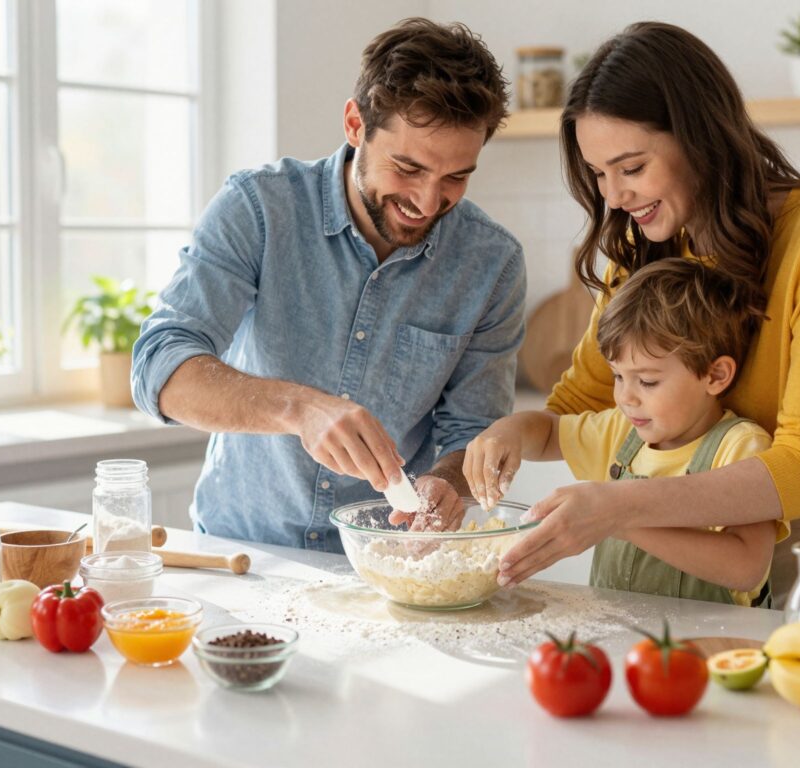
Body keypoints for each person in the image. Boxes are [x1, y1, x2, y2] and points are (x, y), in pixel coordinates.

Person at [477, 21, 800, 617]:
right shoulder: (644, 247)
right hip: (673, 561)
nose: (613, 197)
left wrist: (622, 507)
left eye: (631, 168)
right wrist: (506, 435)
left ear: (701, 137)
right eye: (599, 174)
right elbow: (577, 408)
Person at [131, 18, 526, 552]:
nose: (428, 202)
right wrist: (299, 409)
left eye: (456, 177)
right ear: (355, 124)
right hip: (242, 552)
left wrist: (448, 483)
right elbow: (159, 366)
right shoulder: (259, 208)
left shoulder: (492, 263)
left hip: (382, 564)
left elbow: (473, 432)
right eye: (407, 168)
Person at [466, 258, 784, 606]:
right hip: (617, 632)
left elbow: (746, 567)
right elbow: (547, 434)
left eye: (647, 381)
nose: (625, 397)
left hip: (714, 639)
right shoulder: (621, 432)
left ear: (715, 375)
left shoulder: (741, 447)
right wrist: (506, 431)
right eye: (618, 376)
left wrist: (616, 518)